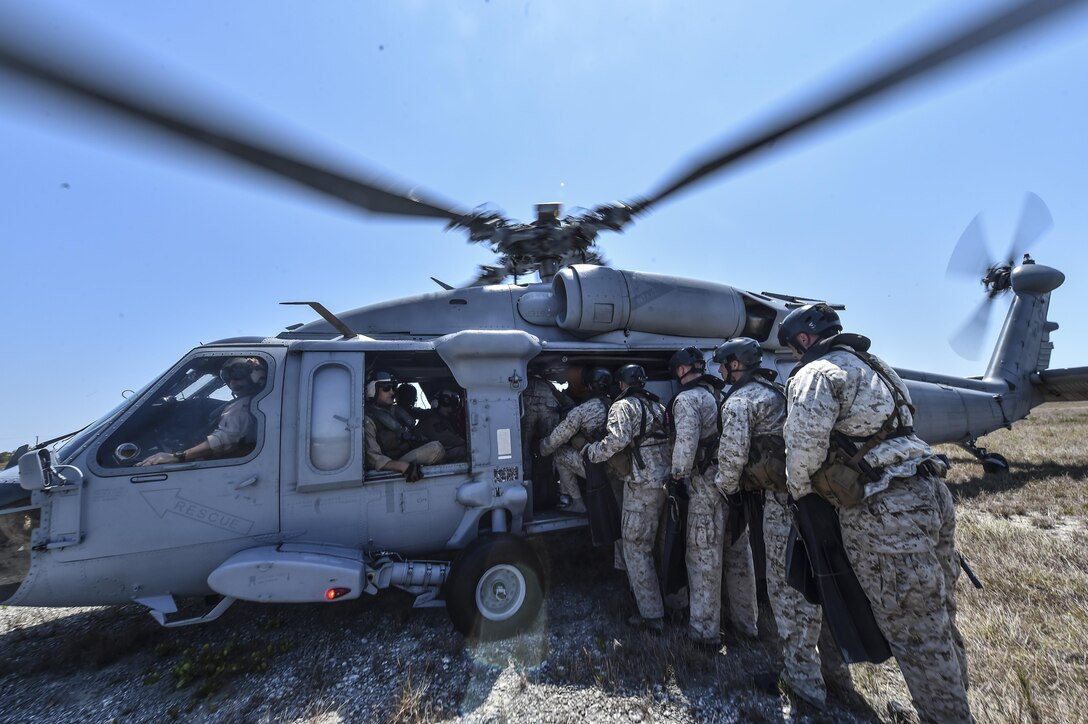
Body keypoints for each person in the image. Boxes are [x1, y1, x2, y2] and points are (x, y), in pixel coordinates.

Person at [778, 303, 972, 723]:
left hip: (884, 508)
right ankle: (952, 704)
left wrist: (799, 494)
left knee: (915, 632)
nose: (795, 356)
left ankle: (947, 716)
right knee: (937, 616)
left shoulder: (815, 375)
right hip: (929, 490)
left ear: (804, 340)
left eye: (793, 348)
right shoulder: (876, 365)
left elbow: (802, 453)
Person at [714, 337, 845, 710]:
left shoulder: (740, 401)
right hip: (814, 499)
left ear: (737, 365)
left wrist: (723, 488)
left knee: (787, 589)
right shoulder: (774, 390)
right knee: (818, 581)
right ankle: (832, 675)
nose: (721, 371)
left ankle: (803, 686)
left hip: (782, 502)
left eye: (724, 364)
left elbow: (732, 456)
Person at [667, 346, 757, 648]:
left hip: (705, 486)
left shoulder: (687, 400)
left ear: (681, 371)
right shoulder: (722, 396)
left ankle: (705, 634)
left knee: (703, 558)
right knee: (739, 557)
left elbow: (686, 445)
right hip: (733, 484)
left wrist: (677, 477)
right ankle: (747, 625)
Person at [586, 364, 670, 632]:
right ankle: (674, 603)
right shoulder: (657, 406)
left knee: (636, 548)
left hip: (640, 487)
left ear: (621, 384)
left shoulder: (623, 407)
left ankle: (651, 615)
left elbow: (615, 442)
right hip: (664, 484)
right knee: (661, 545)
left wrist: (592, 452)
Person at [138, 356, 266, 466]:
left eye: (238, 373)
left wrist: (176, 456)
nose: (232, 382)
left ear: (255, 372)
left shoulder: (243, 406)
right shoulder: (258, 402)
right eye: (226, 377)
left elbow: (223, 440)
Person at [537, 367, 614, 514]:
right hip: (619, 467)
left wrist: (540, 448)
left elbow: (556, 440)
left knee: (559, 453)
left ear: (589, 386)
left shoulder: (582, 410)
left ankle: (576, 502)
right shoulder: (617, 404)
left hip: (599, 468)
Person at [365, 370, 445, 481]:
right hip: (391, 463)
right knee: (436, 449)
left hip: (404, 453)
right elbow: (372, 458)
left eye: (393, 388)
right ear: (372, 390)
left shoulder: (396, 411)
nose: (392, 392)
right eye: (386, 388)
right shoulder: (369, 420)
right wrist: (402, 466)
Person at [419, 388, 468, 463]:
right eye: (446, 405)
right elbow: (448, 439)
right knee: (464, 450)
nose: (450, 409)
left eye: (453, 405)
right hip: (425, 454)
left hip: (432, 453)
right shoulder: (431, 419)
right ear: (437, 403)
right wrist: (468, 442)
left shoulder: (444, 419)